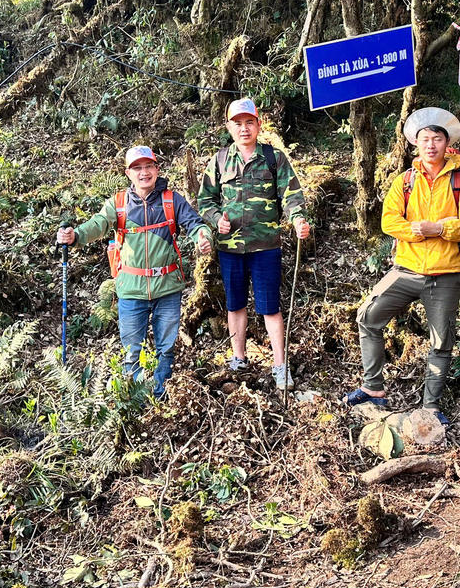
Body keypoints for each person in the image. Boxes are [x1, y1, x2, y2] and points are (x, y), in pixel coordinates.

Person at [347, 108, 460, 424]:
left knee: (441, 341)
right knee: (368, 316)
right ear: (415, 144)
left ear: (447, 143)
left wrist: (443, 229)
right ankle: (373, 388)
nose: (431, 145)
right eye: (425, 139)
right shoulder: (405, 181)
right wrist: (417, 230)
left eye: (437, 138)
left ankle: (431, 407)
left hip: (446, 272)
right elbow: (389, 220)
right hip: (406, 269)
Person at [56, 145, 212, 399]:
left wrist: (203, 236)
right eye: (137, 168)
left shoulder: (172, 200)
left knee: (166, 347)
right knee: (132, 349)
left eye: (148, 166)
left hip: (168, 287)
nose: (143, 173)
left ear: (156, 169)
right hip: (130, 288)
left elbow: (194, 223)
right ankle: (137, 399)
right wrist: (75, 236)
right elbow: (97, 225)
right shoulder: (118, 204)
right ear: (128, 173)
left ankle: (161, 394)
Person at [197, 98, 311, 390]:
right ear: (229, 127)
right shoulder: (220, 160)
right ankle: (238, 358)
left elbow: (292, 196)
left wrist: (298, 220)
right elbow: (205, 200)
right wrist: (215, 220)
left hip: (265, 247)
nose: (244, 128)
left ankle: (280, 365)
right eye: (238, 123)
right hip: (230, 248)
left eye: (249, 122)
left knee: (270, 306)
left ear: (259, 125)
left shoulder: (274, 158)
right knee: (235, 305)